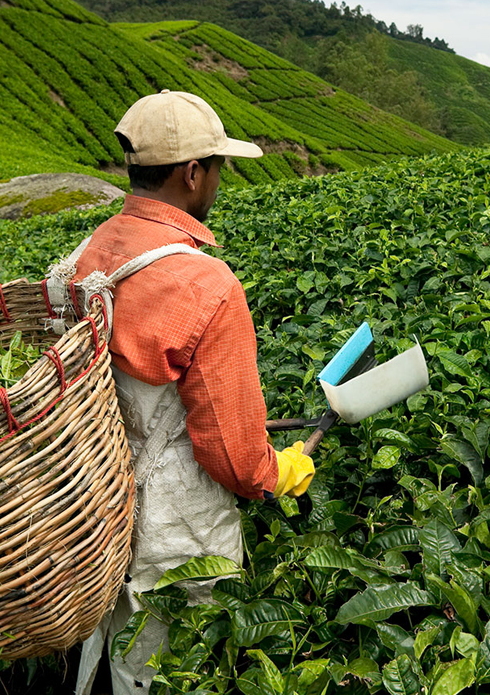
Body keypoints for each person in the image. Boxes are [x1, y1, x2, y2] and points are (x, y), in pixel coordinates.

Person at [71, 90, 315, 695]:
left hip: (92, 497)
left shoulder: (93, 250)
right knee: (174, 667)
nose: (218, 181)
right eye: (218, 167)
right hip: (174, 520)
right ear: (192, 173)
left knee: (112, 645)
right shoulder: (205, 284)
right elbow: (230, 453)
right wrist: (274, 473)